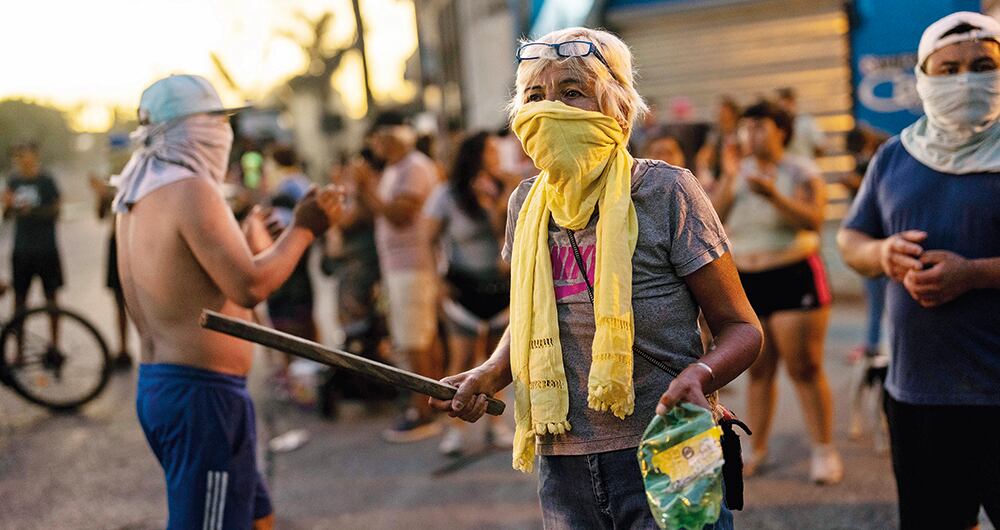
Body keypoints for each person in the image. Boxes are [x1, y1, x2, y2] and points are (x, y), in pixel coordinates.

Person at [429, 28, 762, 529]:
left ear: (619, 109)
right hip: (561, 462)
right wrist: (490, 373)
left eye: (571, 92)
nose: (550, 110)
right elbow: (531, 319)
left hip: (668, 444)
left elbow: (742, 329)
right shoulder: (524, 204)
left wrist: (700, 375)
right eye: (534, 97)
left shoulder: (668, 191)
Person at [114, 74, 342, 530]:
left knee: (257, 518)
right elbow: (250, 288)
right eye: (217, 121)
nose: (225, 133)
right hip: (201, 397)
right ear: (193, 129)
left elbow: (207, 295)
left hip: (171, 388)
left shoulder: (137, 194)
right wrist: (305, 228)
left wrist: (253, 245)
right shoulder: (190, 190)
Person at [837, 12, 1000, 529]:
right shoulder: (895, 157)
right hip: (918, 397)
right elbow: (850, 239)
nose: (965, 79)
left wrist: (974, 273)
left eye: (982, 65)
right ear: (924, 78)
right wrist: (882, 254)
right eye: (948, 69)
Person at [710, 100, 842, 484]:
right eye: (746, 127)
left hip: (793, 271)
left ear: (781, 131)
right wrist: (732, 178)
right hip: (746, 279)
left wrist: (773, 196)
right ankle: (757, 449)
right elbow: (714, 217)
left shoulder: (800, 170)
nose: (751, 134)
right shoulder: (735, 171)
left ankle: (823, 450)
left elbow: (814, 220)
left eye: (760, 126)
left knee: (804, 366)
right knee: (758, 369)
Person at [423, 131, 515, 455]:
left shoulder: (506, 187)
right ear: (475, 154)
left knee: (496, 362)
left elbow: (509, 233)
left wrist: (493, 204)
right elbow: (428, 238)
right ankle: (455, 430)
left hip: (499, 287)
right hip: (462, 286)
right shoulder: (447, 194)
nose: (496, 154)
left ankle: (495, 425)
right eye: (490, 149)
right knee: (460, 357)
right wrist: (436, 280)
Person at [355, 110, 443, 442]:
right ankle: (432, 403)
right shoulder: (395, 169)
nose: (372, 146)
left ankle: (423, 410)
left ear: (389, 137)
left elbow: (399, 215)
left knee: (415, 340)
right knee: (418, 338)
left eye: (375, 138)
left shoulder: (416, 167)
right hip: (400, 266)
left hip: (414, 265)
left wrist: (366, 187)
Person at [3, 142, 63, 354]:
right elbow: (7, 216)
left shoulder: (46, 181)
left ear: (35, 156)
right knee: (19, 301)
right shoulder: (14, 181)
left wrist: (32, 210)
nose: (23, 160)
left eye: (26, 155)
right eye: (19, 156)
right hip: (22, 251)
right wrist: (8, 206)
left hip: (46, 249)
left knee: (51, 299)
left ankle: (55, 346)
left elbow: (56, 212)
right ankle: (18, 351)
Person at [89, 172, 133, 368]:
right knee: (118, 301)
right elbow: (100, 215)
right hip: (116, 243)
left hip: (135, 243)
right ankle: (123, 348)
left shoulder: (137, 178)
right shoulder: (110, 183)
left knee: (142, 301)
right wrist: (101, 195)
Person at [695, 97, 741, 188]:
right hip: (720, 176)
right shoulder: (715, 134)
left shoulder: (741, 132)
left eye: (723, 112)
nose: (719, 115)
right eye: (717, 112)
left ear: (733, 114)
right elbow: (703, 157)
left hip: (739, 174)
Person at [777, 88, 827, 159]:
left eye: (787, 103)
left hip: (803, 165)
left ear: (793, 102)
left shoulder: (806, 121)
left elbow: (821, 146)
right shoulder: (775, 125)